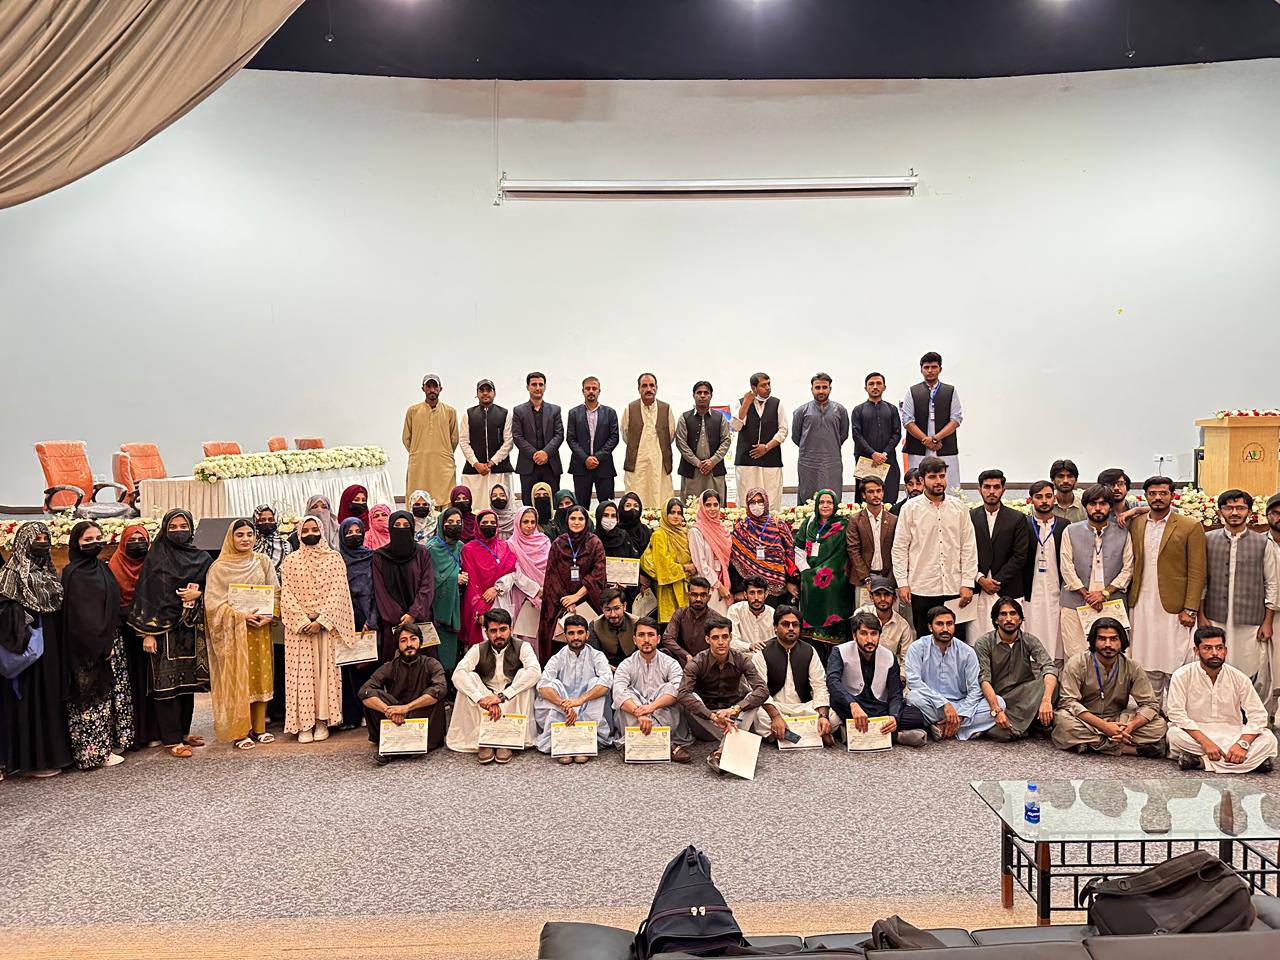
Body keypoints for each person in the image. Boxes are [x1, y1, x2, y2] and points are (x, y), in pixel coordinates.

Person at [128, 509, 211, 759]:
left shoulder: (201, 557)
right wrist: (147, 633)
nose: (178, 531)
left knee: (188, 684)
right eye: (172, 527)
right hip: (162, 631)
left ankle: (184, 732)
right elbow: (146, 596)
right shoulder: (157, 557)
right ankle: (171, 740)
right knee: (166, 686)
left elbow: (214, 587)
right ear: (165, 529)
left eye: (183, 526)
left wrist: (199, 594)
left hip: (190, 630)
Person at [58, 521, 135, 770]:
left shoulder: (102, 568)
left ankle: (109, 745)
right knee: (91, 699)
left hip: (110, 642)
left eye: (97, 537)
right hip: (89, 648)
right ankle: (92, 754)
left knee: (109, 698)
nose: (94, 543)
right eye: (87, 539)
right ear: (76, 543)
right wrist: (101, 645)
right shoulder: (73, 574)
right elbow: (81, 616)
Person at [0, 521, 72, 777]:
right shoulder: (10, 573)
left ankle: (53, 756)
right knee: (32, 701)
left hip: (50, 646)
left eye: (45, 538)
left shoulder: (48, 571)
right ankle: (33, 761)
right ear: (23, 542)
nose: (42, 542)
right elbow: (4, 609)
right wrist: (25, 617)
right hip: (28, 648)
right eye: (36, 538)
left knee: (50, 698)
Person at [1128, 475, 1207, 697]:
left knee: (1174, 656)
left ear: (1172, 496)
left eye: (1163, 493)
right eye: (1152, 493)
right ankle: (1151, 705)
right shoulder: (1137, 524)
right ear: (1145, 496)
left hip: (1175, 605)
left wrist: (1190, 608)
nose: (1158, 498)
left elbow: (1198, 571)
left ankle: (1175, 705)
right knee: (1146, 654)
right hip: (1142, 602)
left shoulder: (1190, 526)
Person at [280, 516, 356, 743]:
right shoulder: (290, 561)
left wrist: (321, 621)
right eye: (306, 530)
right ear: (299, 534)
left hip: (326, 628)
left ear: (322, 531)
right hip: (299, 630)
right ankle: (304, 724)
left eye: (315, 529)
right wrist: (302, 622)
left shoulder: (334, 559)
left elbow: (339, 592)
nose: (310, 533)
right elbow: (286, 594)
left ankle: (322, 721)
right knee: (301, 677)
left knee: (325, 676)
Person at [1199, 489, 1279, 702]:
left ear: (1249, 512)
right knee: (1215, 666)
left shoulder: (1263, 543)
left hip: (1250, 621)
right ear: (1220, 512)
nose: (1234, 512)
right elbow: (1201, 580)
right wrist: (1201, 615)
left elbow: (1271, 584)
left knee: (1250, 669)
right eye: (1229, 508)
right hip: (1215, 616)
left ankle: (1251, 713)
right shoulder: (1207, 539)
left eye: (1240, 508)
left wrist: (1267, 622)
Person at [204, 519, 277, 749]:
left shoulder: (262, 561)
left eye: (249, 534)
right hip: (234, 632)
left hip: (260, 630)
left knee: (260, 676)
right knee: (238, 678)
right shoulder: (219, 567)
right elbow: (212, 604)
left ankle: (259, 728)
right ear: (231, 538)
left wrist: (270, 614)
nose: (246, 539)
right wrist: (240, 616)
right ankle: (240, 732)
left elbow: (275, 592)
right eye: (240, 535)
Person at [1165, 626, 1277, 774]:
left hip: (1233, 734)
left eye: (1219, 648)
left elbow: (1258, 715)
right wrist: (1206, 743)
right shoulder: (1182, 675)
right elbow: (1176, 714)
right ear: (1196, 651)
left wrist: (1242, 744)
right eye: (1207, 648)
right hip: (1197, 733)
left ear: (1226, 650)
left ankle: (1201, 762)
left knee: (1269, 738)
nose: (1215, 653)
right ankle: (1251, 762)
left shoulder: (1239, 677)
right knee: (1174, 735)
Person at [1051, 618, 1167, 757]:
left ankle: (1092, 744)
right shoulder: (1077, 663)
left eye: (1113, 639)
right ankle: (1127, 749)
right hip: (1085, 719)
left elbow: (1150, 704)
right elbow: (1068, 702)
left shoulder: (1132, 667)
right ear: (1093, 641)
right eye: (1102, 639)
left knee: (1159, 726)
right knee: (1064, 723)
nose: (1108, 644)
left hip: (1117, 719)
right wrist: (1104, 727)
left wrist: (1131, 727)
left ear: (1122, 641)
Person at [892, 456, 977, 639]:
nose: (938, 481)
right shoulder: (910, 509)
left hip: (955, 587)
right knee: (925, 640)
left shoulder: (959, 507)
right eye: (932, 477)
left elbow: (969, 547)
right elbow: (899, 548)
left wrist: (967, 583)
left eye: (942, 476)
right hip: (922, 587)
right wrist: (902, 583)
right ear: (922, 480)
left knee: (956, 640)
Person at [676, 615, 769, 772]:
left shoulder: (741, 659)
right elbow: (683, 694)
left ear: (731, 638)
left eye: (725, 637)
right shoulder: (697, 662)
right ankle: (733, 744)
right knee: (691, 698)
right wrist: (713, 716)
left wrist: (735, 709)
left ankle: (721, 751)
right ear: (707, 639)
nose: (721, 642)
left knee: (752, 697)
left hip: (734, 717)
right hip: (706, 722)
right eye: (715, 638)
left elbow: (762, 690)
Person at [446, 608, 541, 762]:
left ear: (511, 629)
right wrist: (481, 698)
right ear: (486, 632)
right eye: (493, 631)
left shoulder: (523, 646)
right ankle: (483, 740)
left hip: (510, 696)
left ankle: (509, 739)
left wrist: (503, 696)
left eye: (503, 629)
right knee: (468, 677)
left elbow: (535, 672)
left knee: (524, 675)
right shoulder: (478, 649)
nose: (498, 635)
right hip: (486, 698)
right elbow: (458, 674)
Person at [826, 611, 929, 747]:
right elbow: (832, 682)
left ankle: (853, 732)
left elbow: (895, 693)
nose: (869, 640)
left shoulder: (889, 656)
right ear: (854, 635)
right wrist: (852, 704)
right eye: (864, 634)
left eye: (874, 634)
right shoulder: (839, 652)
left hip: (879, 707)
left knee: (916, 716)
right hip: (850, 705)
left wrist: (893, 717)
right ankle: (896, 736)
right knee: (836, 708)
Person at [1059, 484, 1133, 661]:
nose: (1098, 508)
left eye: (1103, 504)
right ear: (1085, 506)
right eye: (1093, 504)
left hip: (1112, 601)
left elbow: (1128, 568)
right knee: (1076, 655)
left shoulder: (1123, 532)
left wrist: (1104, 594)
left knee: (1113, 654)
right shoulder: (1070, 531)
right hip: (1076, 602)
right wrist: (1087, 595)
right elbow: (1066, 567)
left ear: (1110, 506)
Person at [905, 607, 998, 740]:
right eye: (940, 624)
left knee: (999, 703)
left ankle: (943, 726)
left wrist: (961, 714)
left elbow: (975, 688)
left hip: (960, 704)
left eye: (949, 624)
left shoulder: (967, 651)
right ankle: (962, 728)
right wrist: (943, 704)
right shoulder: (917, 648)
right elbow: (914, 682)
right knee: (913, 697)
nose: (945, 629)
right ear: (930, 627)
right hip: (932, 704)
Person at [359, 622, 448, 762]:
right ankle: (399, 744)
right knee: (371, 695)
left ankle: (396, 747)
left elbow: (440, 689)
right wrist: (389, 711)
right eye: (403, 640)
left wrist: (406, 708)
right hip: (395, 719)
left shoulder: (432, 664)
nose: (409, 644)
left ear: (420, 641)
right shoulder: (390, 666)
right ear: (398, 645)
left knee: (434, 694)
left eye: (413, 639)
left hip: (423, 719)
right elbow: (365, 690)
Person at [973, 597, 1058, 741]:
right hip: (999, 699)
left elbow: (1048, 667)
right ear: (996, 620)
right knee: (1000, 734)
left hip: (1027, 696)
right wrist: (996, 710)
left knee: (1052, 684)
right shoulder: (984, 643)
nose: (1009, 619)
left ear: (1020, 619)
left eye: (1013, 614)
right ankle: (1032, 726)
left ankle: (1027, 726)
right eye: (1003, 614)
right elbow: (984, 679)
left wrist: (1046, 700)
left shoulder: (1029, 640)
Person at [613, 616, 694, 762]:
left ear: (658, 639)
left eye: (651, 635)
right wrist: (639, 713)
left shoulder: (671, 663)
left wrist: (651, 707)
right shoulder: (626, 665)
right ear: (634, 639)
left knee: (669, 688)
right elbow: (618, 692)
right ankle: (667, 745)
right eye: (641, 635)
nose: (646, 640)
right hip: (636, 716)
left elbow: (678, 690)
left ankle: (636, 744)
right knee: (627, 694)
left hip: (662, 713)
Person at [751, 605, 834, 746]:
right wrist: (775, 716)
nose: (791, 628)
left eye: (795, 625)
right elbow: (760, 690)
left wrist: (823, 716)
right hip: (776, 707)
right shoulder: (762, 652)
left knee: (833, 715)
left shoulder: (809, 651)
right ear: (775, 627)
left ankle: (784, 735)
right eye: (785, 624)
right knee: (757, 715)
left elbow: (819, 685)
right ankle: (810, 733)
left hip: (803, 708)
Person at [535, 614, 614, 761]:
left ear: (587, 635)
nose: (576, 637)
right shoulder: (557, 657)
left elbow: (607, 682)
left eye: (580, 632)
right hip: (564, 711)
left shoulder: (597, 656)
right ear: (565, 636)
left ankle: (584, 742)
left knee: (597, 683)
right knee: (553, 685)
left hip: (587, 707)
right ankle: (563, 742)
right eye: (571, 633)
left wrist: (579, 701)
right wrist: (564, 704)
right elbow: (542, 685)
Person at [109, 522, 160, 748]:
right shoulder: (113, 566)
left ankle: (154, 731)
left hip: (152, 630)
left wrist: (149, 629)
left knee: (152, 682)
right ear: (122, 544)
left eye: (141, 540)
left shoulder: (154, 566)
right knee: (130, 683)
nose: (137, 544)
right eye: (131, 541)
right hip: (125, 633)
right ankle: (133, 735)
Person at [538, 505, 606, 661]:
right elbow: (552, 577)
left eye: (581, 519)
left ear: (586, 521)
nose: (576, 522)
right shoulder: (558, 543)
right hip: (560, 602)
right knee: (559, 644)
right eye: (573, 518)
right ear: (567, 520)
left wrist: (576, 596)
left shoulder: (594, 543)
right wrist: (567, 600)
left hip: (588, 600)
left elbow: (598, 573)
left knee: (589, 643)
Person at [371, 510, 435, 664]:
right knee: (395, 667)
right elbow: (381, 592)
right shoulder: (380, 556)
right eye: (397, 525)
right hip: (394, 624)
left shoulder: (422, 553)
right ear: (390, 529)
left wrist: (413, 613)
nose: (401, 529)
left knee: (424, 666)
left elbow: (427, 586)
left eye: (406, 525)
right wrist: (401, 619)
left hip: (420, 620)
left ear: (412, 528)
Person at [970, 469, 1031, 629]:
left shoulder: (1017, 518)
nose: (991, 491)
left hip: (1008, 588)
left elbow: (1020, 555)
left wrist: (997, 581)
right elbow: (963, 552)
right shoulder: (970, 517)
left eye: (996, 487)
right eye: (987, 487)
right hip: (978, 588)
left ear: (1003, 489)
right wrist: (981, 579)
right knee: (977, 636)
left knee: (1009, 636)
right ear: (979, 489)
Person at [798, 489, 855, 656]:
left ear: (835, 504)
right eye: (822, 502)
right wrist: (806, 571)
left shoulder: (843, 525)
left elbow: (844, 554)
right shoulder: (809, 523)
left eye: (829, 502)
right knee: (812, 643)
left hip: (836, 581)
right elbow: (799, 548)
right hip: (810, 578)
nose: (825, 506)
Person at [1022, 480, 1070, 663]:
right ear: (1031, 500)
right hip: (1032, 590)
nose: (1044, 501)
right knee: (1033, 625)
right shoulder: (1024, 524)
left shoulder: (1064, 525)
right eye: (1039, 497)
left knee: (1056, 631)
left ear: (1054, 498)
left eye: (1048, 496)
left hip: (1057, 589)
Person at [337, 516, 378, 730]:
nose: (354, 535)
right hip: (344, 621)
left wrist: (372, 619)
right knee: (348, 671)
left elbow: (378, 590)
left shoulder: (372, 557)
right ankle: (351, 716)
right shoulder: (337, 560)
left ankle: (371, 714)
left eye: (358, 531)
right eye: (349, 532)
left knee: (369, 669)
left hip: (369, 620)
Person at [901, 351, 962, 491]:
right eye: (926, 367)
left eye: (934, 367)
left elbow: (956, 419)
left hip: (944, 445)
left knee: (949, 484)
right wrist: (926, 440)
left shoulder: (950, 391)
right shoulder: (913, 391)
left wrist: (935, 438)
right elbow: (907, 420)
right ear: (921, 369)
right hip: (918, 446)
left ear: (940, 369)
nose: (930, 371)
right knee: (917, 482)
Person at [459, 509, 517, 649]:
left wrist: (496, 589)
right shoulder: (468, 549)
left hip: (501, 600)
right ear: (478, 525)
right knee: (484, 647)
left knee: (505, 643)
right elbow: (471, 583)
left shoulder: (505, 546)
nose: (489, 525)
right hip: (481, 604)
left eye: (492, 522)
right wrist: (479, 609)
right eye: (485, 523)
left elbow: (513, 574)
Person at [729, 487, 798, 603]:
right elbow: (735, 561)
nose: (756, 505)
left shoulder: (778, 525)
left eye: (760, 501)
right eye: (752, 502)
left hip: (777, 590)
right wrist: (738, 590)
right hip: (750, 591)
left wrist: (790, 581)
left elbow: (791, 554)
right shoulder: (741, 528)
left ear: (766, 502)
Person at [732, 372, 788, 509]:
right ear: (754, 388)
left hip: (771, 462)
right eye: (763, 385)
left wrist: (767, 447)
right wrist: (746, 403)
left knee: (771, 501)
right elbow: (736, 426)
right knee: (746, 501)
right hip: (746, 462)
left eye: (769, 384)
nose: (768, 388)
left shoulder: (777, 403)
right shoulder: (742, 402)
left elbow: (783, 430)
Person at [496, 506, 550, 650]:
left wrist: (545, 589)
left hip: (545, 594)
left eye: (533, 522)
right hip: (522, 594)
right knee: (524, 636)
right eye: (525, 522)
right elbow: (515, 572)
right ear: (518, 522)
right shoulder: (511, 545)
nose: (530, 526)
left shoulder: (545, 541)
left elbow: (551, 567)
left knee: (543, 635)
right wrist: (536, 590)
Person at [792, 373, 850, 505]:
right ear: (812, 389)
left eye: (824, 387)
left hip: (832, 461)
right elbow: (796, 437)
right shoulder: (801, 411)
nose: (821, 391)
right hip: (808, 462)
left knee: (832, 496)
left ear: (830, 389)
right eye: (817, 387)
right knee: (807, 496)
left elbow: (843, 435)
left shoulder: (840, 410)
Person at [402, 372, 459, 506]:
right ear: (423, 388)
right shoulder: (413, 411)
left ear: (440, 389)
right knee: (417, 496)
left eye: (435, 386)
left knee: (445, 497)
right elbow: (406, 438)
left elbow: (454, 438)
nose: (432, 390)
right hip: (419, 464)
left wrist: (443, 452)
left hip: (443, 463)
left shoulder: (450, 411)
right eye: (428, 386)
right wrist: (419, 452)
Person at [459, 377, 515, 508]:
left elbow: (508, 442)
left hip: (500, 470)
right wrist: (476, 463)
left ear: (494, 393)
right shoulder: (468, 414)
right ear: (477, 393)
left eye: (489, 390)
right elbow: (463, 441)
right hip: (474, 472)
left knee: (502, 507)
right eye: (482, 390)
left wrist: (492, 462)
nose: (485, 393)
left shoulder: (504, 414)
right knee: (475, 508)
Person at [512, 370, 564, 506]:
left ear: (545, 387)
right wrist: (535, 454)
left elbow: (559, 435)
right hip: (528, 464)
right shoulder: (519, 410)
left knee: (553, 503)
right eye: (534, 384)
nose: (537, 388)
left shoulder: (555, 410)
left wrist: (545, 453)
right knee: (529, 504)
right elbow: (517, 436)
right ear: (528, 387)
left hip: (551, 464)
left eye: (541, 384)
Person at [566, 374, 620, 508]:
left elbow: (614, 438)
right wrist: (586, 458)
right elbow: (571, 439)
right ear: (583, 391)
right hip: (580, 466)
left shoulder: (610, 413)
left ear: (599, 391)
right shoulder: (574, 413)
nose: (591, 391)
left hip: (604, 466)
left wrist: (597, 457)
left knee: (607, 507)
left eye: (594, 388)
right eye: (588, 388)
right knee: (581, 507)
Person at [423, 507, 465, 674]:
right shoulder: (431, 548)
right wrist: (456, 578)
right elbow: (429, 579)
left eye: (458, 522)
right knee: (437, 652)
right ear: (442, 524)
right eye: (450, 522)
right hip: (438, 608)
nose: (455, 525)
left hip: (456, 604)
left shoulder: (460, 546)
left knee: (454, 652)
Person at [851, 371, 903, 503]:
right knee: (865, 498)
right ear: (866, 388)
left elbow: (897, 433)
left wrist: (884, 454)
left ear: (884, 387)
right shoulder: (858, 410)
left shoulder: (892, 409)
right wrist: (872, 453)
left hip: (888, 460)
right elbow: (857, 435)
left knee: (889, 499)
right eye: (871, 384)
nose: (875, 387)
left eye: (878, 383)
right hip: (866, 460)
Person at [641, 497, 694, 624]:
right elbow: (663, 565)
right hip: (668, 588)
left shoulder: (685, 533)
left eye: (679, 513)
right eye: (672, 512)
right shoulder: (659, 535)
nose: (676, 516)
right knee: (671, 625)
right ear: (665, 514)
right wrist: (686, 568)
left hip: (686, 586)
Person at [676, 380, 731, 501]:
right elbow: (680, 443)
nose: (702, 396)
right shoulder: (684, 418)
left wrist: (712, 461)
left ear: (711, 395)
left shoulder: (720, 417)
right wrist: (697, 463)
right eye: (699, 393)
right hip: (692, 472)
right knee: (691, 507)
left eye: (706, 393)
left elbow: (726, 440)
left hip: (715, 471)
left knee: (715, 506)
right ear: (693, 395)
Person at [852, 576, 915, 674]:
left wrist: (901, 677)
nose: (882, 599)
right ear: (871, 597)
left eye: (887, 594)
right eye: (878, 594)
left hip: (888, 670)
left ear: (894, 598)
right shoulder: (861, 613)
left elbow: (907, 659)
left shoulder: (903, 625)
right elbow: (852, 646)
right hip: (860, 668)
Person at [688, 489, 733, 614]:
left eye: (715, 505)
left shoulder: (722, 529)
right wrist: (718, 585)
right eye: (708, 505)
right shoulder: (696, 531)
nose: (712, 509)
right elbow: (700, 564)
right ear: (702, 507)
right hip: (706, 585)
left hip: (723, 580)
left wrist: (722, 584)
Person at [660, 576, 714, 666]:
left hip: (705, 664)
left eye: (703, 595)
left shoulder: (715, 618)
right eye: (694, 595)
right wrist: (686, 655)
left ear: (709, 597)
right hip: (681, 661)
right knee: (663, 652)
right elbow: (667, 638)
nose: (698, 599)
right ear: (688, 595)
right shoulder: (680, 614)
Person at [588, 588, 636, 667]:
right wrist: (605, 666)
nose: (613, 614)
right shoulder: (594, 625)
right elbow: (594, 654)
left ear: (624, 606)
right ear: (602, 609)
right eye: (608, 610)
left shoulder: (636, 622)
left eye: (617, 608)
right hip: (605, 666)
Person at [728, 577, 776, 654]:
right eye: (752, 593)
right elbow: (731, 642)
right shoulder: (735, 610)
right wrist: (750, 646)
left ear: (766, 594)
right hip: (742, 658)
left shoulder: (773, 614)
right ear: (745, 595)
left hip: (767, 657)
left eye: (760, 593)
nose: (756, 598)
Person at [252, 504, 292, 579]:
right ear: (256, 522)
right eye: (262, 520)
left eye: (271, 520)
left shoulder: (285, 546)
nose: (267, 522)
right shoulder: (250, 544)